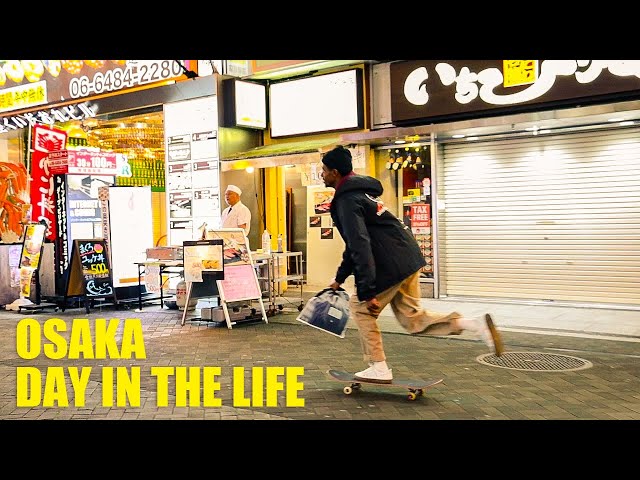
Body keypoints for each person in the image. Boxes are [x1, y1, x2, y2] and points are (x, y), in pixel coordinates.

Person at [321, 145, 504, 384]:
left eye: (324, 171)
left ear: (335, 172)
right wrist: (339, 279)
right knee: (412, 319)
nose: (322, 175)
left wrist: (366, 290)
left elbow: (360, 244)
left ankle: (378, 367)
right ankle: (474, 324)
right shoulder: (363, 194)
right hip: (408, 258)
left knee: (361, 308)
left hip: (390, 263)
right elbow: (354, 243)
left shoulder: (346, 200)